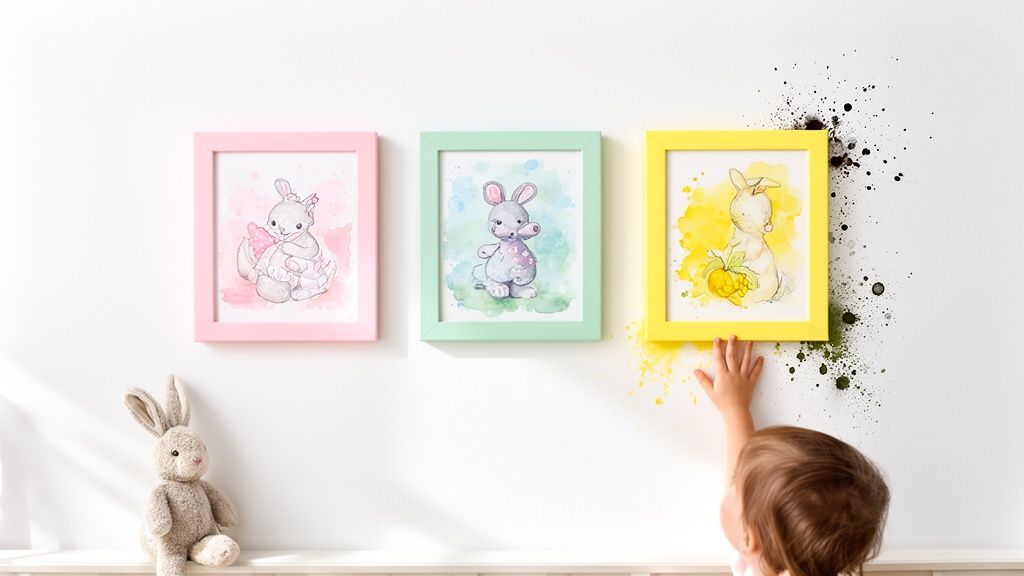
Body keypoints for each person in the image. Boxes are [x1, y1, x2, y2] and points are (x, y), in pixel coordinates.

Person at [695, 336, 890, 576]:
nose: (730, 482)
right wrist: (735, 409)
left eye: (735, 483)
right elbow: (754, 484)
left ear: (748, 539)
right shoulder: (774, 554)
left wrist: (734, 410)